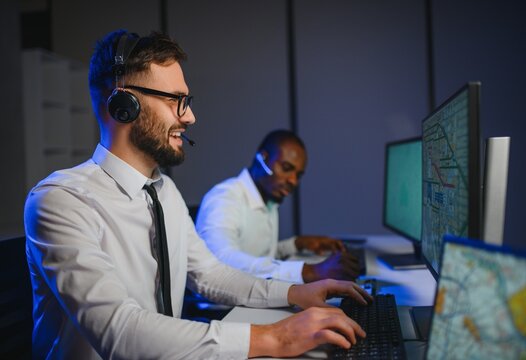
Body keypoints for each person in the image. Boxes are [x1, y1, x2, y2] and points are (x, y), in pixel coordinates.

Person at [24, 29, 372, 359]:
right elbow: (119, 330)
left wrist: (295, 292)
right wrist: (275, 337)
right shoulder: (60, 201)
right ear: (123, 105)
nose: (190, 116)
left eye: (186, 100)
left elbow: (209, 275)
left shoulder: (165, 191)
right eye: (176, 100)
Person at [196, 130, 362, 283]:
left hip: (255, 296)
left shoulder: (268, 199)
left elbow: (258, 257)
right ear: (263, 158)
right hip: (223, 310)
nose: (293, 181)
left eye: (298, 175)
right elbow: (222, 260)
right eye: (286, 168)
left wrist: (297, 244)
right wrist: (308, 271)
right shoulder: (224, 198)